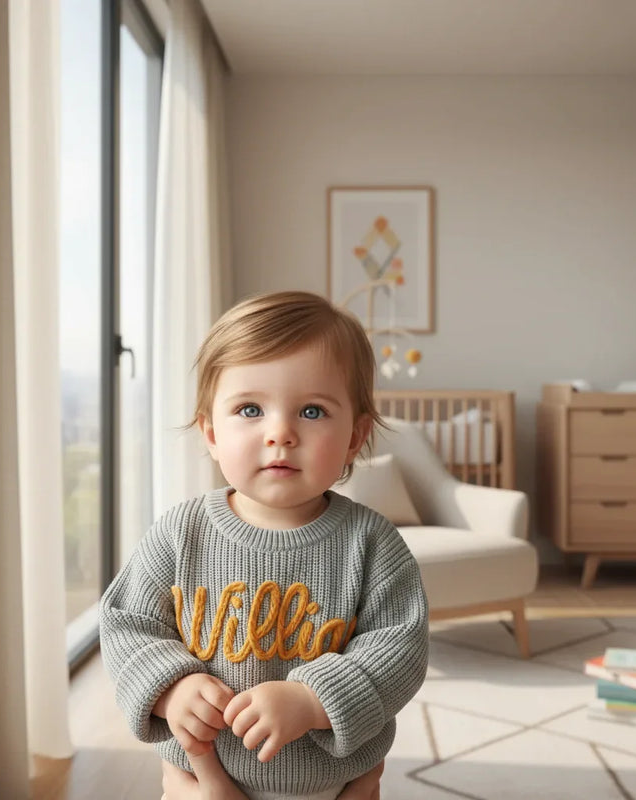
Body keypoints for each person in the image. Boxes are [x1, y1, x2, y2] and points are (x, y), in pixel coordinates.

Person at [99, 290, 429, 800]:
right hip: (197, 780)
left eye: (313, 412)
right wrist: (173, 687)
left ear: (355, 437)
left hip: (325, 788)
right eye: (250, 408)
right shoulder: (179, 533)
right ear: (211, 431)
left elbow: (400, 647)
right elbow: (127, 623)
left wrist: (313, 698)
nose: (281, 433)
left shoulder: (371, 543)